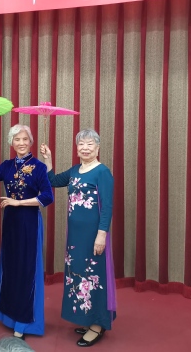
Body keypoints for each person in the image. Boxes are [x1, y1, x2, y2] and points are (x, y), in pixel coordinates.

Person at [40, 128, 116, 347]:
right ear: (77, 148)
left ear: (97, 148)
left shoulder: (102, 172)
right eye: (81, 144)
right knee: (79, 275)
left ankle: (98, 324)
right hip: (75, 236)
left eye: (90, 144)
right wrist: (48, 159)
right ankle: (88, 318)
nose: (85, 148)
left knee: (94, 277)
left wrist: (101, 235)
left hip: (93, 235)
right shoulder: (75, 170)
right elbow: (53, 181)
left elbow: (107, 207)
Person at [0, 125, 53, 339]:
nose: (21, 143)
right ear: (11, 142)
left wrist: (18, 203)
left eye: (25, 139)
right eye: (17, 139)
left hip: (29, 222)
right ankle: (9, 315)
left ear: (31, 141)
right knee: (11, 267)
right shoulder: (7, 166)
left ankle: (23, 322)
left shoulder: (39, 167)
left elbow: (47, 197)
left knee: (26, 269)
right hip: (11, 223)